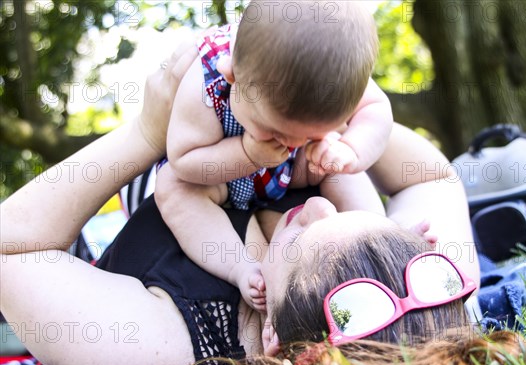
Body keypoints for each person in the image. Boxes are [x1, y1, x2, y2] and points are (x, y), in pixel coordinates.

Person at [0, 41, 526, 365]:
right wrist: (326, 106)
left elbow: (13, 248)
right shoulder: (440, 300)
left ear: (272, 327)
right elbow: (431, 179)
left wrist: (146, 134)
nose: (321, 204)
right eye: (355, 215)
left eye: (307, 233)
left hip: (153, 191)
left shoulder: (163, 350)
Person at [156, 0, 393, 311]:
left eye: (307, 134)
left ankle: (381, 240)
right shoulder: (207, 78)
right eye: (274, 129)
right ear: (233, 76)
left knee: (343, 172)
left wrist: (349, 150)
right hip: (215, 176)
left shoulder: (329, 75)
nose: (292, 143)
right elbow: (184, 159)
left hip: (286, 174)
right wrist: (246, 153)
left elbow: (376, 109)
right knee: (172, 187)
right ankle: (240, 267)